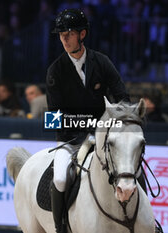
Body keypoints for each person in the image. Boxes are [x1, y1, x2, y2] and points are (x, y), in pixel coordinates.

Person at [46, 9, 133, 233]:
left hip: (105, 137)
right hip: (70, 140)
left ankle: (146, 221)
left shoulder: (101, 62)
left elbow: (123, 98)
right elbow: (53, 120)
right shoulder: (55, 70)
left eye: (69, 33)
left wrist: (116, 120)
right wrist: (94, 122)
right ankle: (60, 227)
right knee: (60, 178)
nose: (64, 38)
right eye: (61, 34)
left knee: (131, 169)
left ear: (82, 34)